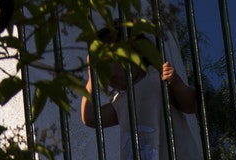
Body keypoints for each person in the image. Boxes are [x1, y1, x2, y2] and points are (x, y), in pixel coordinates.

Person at [82, 32, 202, 160]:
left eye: (110, 61)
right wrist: (91, 78)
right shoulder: (121, 101)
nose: (108, 72)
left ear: (136, 52)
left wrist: (176, 83)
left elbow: (191, 105)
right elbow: (91, 118)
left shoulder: (157, 80)